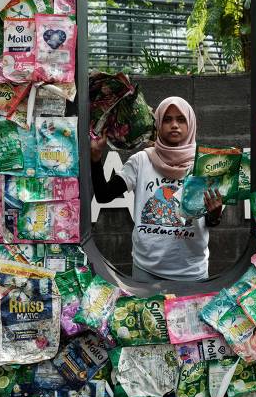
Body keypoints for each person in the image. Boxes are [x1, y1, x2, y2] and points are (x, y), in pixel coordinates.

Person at [91, 96, 224, 282]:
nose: (174, 125)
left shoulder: (203, 165)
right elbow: (104, 195)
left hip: (192, 273)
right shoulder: (141, 161)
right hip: (146, 271)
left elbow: (210, 222)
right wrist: (96, 158)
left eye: (181, 119)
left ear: (191, 124)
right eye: (167, 120)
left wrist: (215, 214)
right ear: (158, 125)